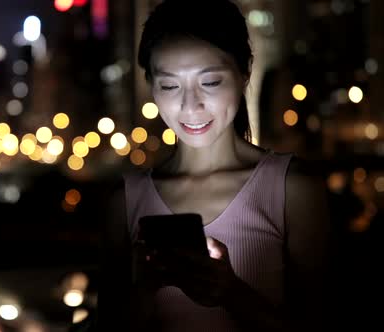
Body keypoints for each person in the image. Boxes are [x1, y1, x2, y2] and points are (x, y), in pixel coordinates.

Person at [95, 0, 332, 331]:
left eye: (210, 82)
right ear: (150, 85)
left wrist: (231, 293)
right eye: (169, 85)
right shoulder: (124, 201)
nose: (190, 105)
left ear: (245, 71)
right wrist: (144, 293)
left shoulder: (294, 189)